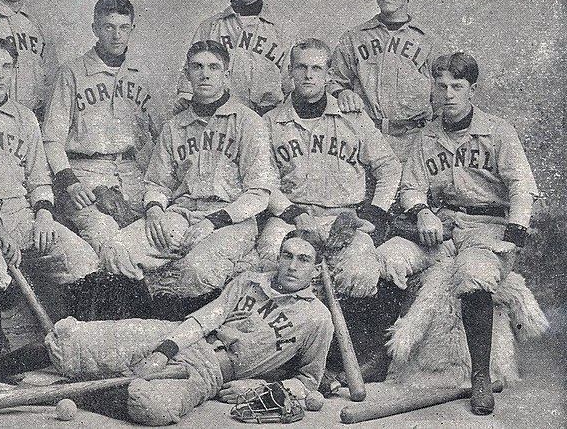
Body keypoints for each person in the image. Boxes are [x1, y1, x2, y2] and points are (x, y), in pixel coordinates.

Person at [0, 234, 333, 426]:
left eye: (303, 259)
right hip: (176, 336)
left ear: (316, 269)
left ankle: (84, 390)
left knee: (154, 409)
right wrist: (163, 349)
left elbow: (308, 380)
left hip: (210, 371)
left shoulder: (317, 319)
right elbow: (203, 318)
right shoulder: (249, 282)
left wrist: (259, 388)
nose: (292, 265)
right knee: (72, 338)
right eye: (287, 255)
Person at [0, 37, 100, 364]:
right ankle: (1, 351)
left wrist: (43, 216)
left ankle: (78, 343)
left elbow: (40, 180)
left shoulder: (25, 119)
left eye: (7, 67)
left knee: (80, 257)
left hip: (22, 216)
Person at [398, 52, 538, 415]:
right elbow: (409, 186)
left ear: (472, 90)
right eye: (441, 86)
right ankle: (385, 359)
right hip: (442, 227)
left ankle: (479, 376)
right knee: (388, 259)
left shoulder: (498, 131)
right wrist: (421, 210)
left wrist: (516, 232)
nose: (448, 94)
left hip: (487, 227)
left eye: (457, 87)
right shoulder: (426, 136)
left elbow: (522, 185)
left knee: (474, 274)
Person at [259, 38, 404, 384]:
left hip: (344, 215)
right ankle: (283, 356)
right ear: (290, 72)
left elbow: (389, 167)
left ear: (327, 74)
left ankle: (339, 361)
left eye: (317, 68)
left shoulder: (352, 116)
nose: (308, 75)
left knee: (360, 269)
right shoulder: (269, 122)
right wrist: (293, 214)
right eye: (301, 67)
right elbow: (263, 181)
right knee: (267, 260)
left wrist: (372, 215)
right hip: (291, 215)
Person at [107, 40, 277, 318]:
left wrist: (214, 221)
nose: (205, 74)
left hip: (230, 220)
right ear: (187, 73)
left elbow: (259, 192)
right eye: (197, 67)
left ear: (226, 75)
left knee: (195, 269)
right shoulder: (175, 126)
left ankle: (182, 332)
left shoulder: (248, 122)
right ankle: (143, 321)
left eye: (213, 67)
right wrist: (154, 210)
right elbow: (157, 183)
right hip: (182, 214)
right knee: (117, 249)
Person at [42, 0, 156, 260]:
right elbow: (51, 139)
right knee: (105, 236)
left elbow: (164, 134)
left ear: (132, 29)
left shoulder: (142, 74)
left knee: (153, 236)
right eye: (108, 27)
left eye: (123, 27)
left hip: (132, 174)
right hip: (85, 174)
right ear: (95, 28)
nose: (117, 35)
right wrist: (70, 183)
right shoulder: (71, 73)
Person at [327, 0, 444, 158]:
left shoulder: (428, 42)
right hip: (366, 136)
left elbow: (443, 95)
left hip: (416, 140)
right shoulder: (354, 38)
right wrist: (342, 93)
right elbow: (332, 81)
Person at [177, 0, 289, 116]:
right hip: (217, 119)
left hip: (267, 119)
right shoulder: (211, 27)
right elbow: (188, 79)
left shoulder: (283, 30)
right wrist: (185, 97)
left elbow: (293, 86)